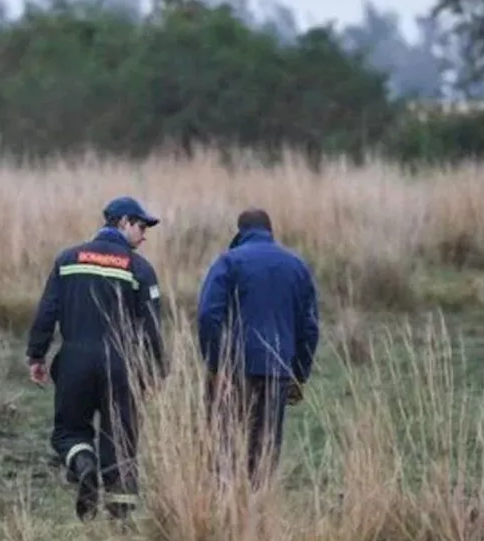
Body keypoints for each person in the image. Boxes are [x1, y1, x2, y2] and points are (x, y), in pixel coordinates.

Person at [25, 196, 166, 522]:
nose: (144, 235)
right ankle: (119, 515)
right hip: (122, 365)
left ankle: (84, 465)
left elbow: (47, 310)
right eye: (141, 226)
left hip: (74, 362)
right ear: (123, 223)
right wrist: (155, 370)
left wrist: (37, 354)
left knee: (68, 432)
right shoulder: (139, 268)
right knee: (120, 437)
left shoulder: (67, 258)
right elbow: (153, 327)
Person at [196, 208, 320, 486]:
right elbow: (309, 326)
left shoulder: (228, 262)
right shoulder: (296, 266)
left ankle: (225, 510)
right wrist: (298, 374)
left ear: (240, 232)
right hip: (277, 370)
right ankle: (257, 511)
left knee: (226, 443)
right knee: (265, 446)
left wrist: (216, 364)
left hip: (235, 369)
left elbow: (208, 315)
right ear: (270, 231)